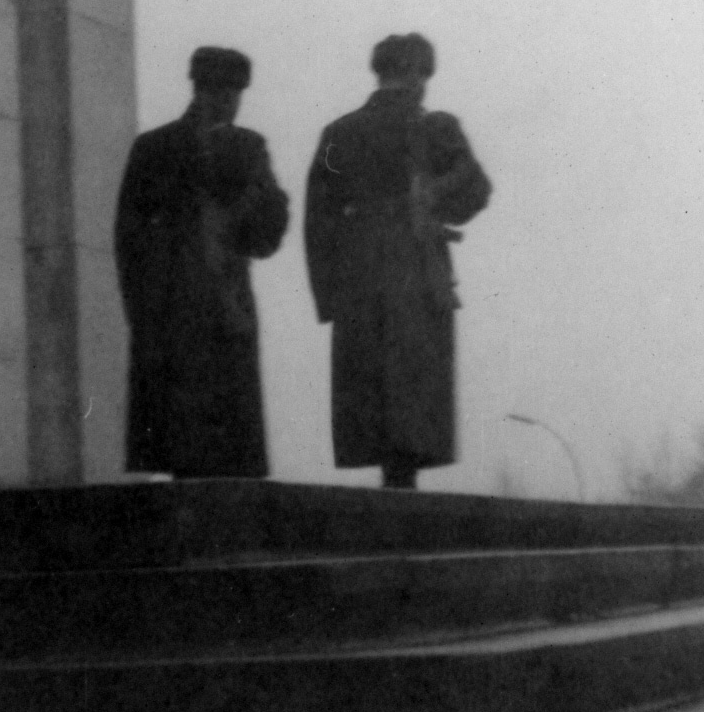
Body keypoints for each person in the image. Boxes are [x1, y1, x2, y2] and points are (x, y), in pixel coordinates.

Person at [304, 33, 491, 490]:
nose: (424, 84)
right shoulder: (436, 128)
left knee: (372, 390)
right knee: (413, 390)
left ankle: (394, 482)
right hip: (417, 268)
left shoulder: (339, 132)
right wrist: (438, 196)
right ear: (412, 72)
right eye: (423, 73)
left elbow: (317, 219)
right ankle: (401, 484)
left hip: (359, 275)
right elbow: (478, 190)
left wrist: (329, 298)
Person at [115, 46, 290, 478]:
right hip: (174, 305)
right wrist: (143, 312)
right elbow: (129, 237)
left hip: (225, 301)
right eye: (221, 91)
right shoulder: (155, 148)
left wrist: (259, 209)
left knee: (229, 439)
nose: (230, 101)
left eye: (235, 92)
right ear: (199, 89)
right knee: (182, 437)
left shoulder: (249, 148)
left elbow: (269, 231)